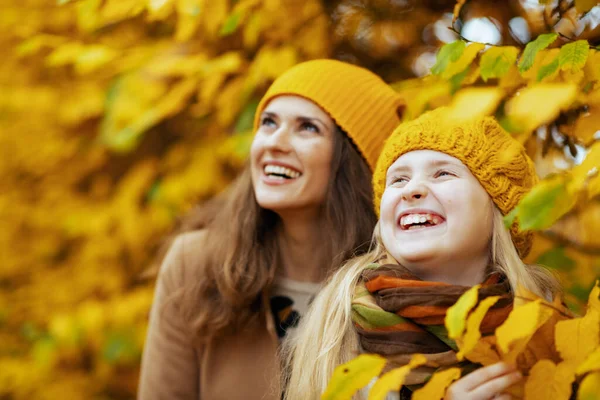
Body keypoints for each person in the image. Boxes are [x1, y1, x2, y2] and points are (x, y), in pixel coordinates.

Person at [137, 59, 405, 400]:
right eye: (268, 123)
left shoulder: (399, 287)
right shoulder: (196, 265)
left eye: (307, 127)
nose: (274, 142)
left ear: (352, 160)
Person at [284, 108, 561, 400]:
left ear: (499, 211)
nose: (411, 189)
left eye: (443, 173)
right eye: (398, 180)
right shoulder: (337, 322)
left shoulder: (551, 331)